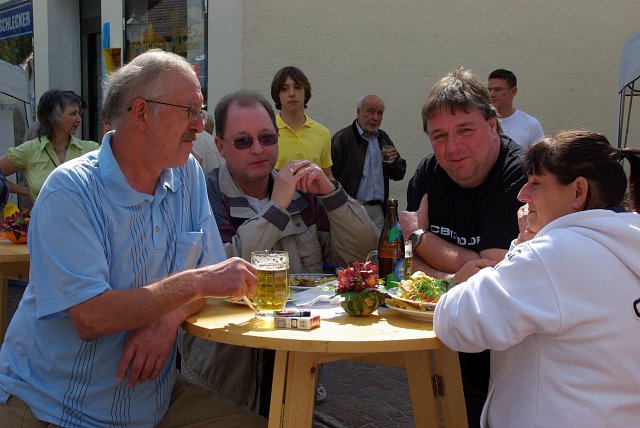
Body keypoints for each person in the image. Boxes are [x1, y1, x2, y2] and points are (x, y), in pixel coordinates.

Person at [0, 50, 266, 428]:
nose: (199, 126)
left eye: (201, 111)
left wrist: (169, 317)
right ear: (141, 113)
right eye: (189, 111)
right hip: (52, 405)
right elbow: (91, 316)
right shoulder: (71, 190)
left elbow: (212, 279)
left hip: (150, 401)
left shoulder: (187, 173)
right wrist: (196, 283)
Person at [179, 89, 379, 415]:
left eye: (267, 138)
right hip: (227, 373)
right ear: (220, 147)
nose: (258, 149)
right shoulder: (204, 194)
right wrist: (275, 209)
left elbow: (361, 253)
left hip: (294, 357)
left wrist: (331, 195)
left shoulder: (302, 193)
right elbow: (221, 270)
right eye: (243, 141)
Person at [434, 130, 640, 428]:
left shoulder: (552, 255)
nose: (522, 194)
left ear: (578, 192)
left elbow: (457, 323)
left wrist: (464, 280)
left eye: (536, 183)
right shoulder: (627, 240)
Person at [399, 67, 526, 428]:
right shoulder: (428, 173)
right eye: (439, 136)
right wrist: (454, 276)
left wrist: (420, 237)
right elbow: (405, 267)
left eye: (465, 130)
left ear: (492, 124)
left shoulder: (520, 175)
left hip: (506, 362)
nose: (452, 148)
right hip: (445, 345)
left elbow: (491, 276)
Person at [0, 89, 99, 206]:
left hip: (81, 217)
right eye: (73, 114)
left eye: (79, 114)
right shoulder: (31, 149)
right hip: (42, 217)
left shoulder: (90, 149)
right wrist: (25, 192)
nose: (79, 119)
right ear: (53, 117)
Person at [331, 95, 407, 229]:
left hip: (379, 212)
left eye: (380, 113)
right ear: (358, 112)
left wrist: (395, 161)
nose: (376, 118)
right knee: (353, 244)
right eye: (370, 111)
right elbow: (330, 180)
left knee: (383, 243)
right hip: (351, 211)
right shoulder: (342, 139)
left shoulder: (382, 138)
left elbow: (399, 174)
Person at [270, 66, 333, 177]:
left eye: (297, 87)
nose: (292, 93)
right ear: (277, 95)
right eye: (284, 89)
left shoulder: (323, 133)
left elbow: (327, 176)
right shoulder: (267, 132)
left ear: (305, 93)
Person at [488, 68, 544, 149]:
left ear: (513, 91)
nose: (491, 94)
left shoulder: (531, 124)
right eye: (489, 89)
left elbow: (540, 156)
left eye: (498, 89)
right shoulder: (480, 122)